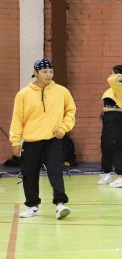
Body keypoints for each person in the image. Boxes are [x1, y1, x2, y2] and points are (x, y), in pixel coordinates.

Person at [9, 59, 76, 219]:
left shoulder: (62, 91)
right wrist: (15, 140)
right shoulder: (23, 94)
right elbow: (17, 118)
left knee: (56, 172)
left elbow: (70, 111)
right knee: (29, 174)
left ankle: (60, 204)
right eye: (44, 72)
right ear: (36, 73)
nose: (48, 74)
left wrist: (63, 128)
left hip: (53, 140)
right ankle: (33, 206)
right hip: (31, 141)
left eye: (50, 71)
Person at [98, 65, 122, 188]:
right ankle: (106, 173)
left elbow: (111, 79)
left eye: (112, 72)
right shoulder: (116, 87)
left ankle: (120, 177)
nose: (110, 75)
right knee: (106, 146)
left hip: (115, 118)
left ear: (118, 74)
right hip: (108, 118)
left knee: (115, 147)